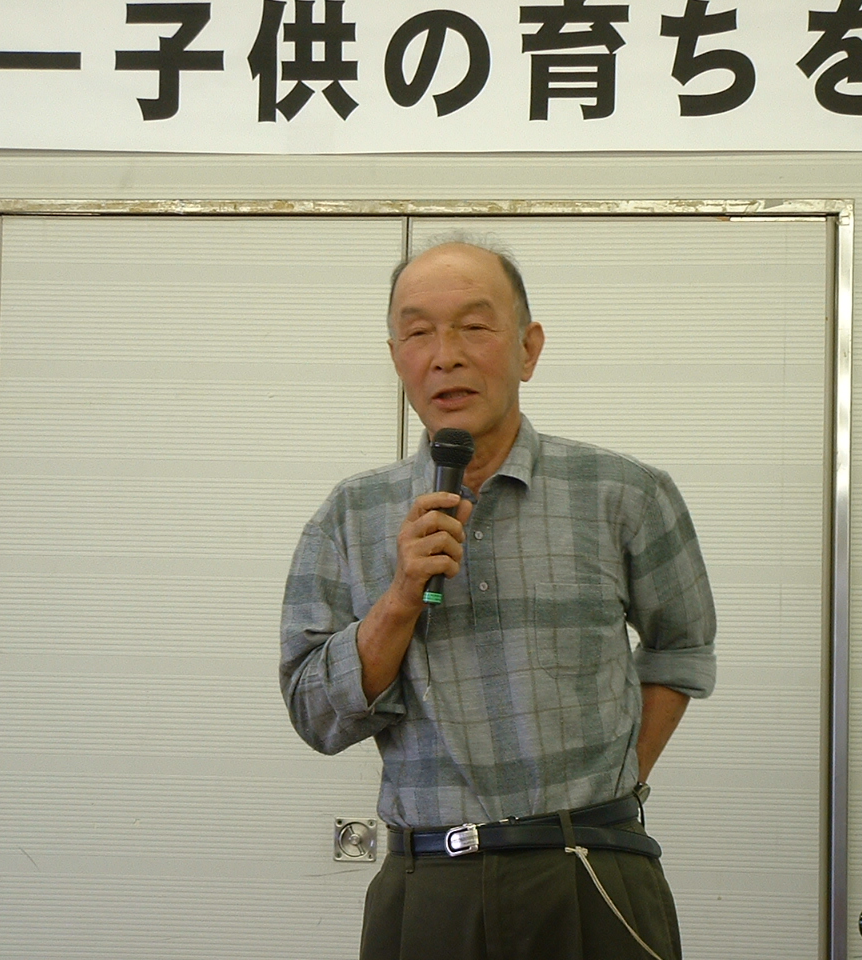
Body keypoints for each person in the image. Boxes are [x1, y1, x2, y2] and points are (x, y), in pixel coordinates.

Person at [280, 238, 716, 960]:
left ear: (528, 348)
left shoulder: (624, 493)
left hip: (591, 871)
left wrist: (615, 788)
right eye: (419, 333)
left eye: (474, 327)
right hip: (428, 885)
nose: (444, 356)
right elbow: (313, 714)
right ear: (396, 359)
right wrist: (399, 599)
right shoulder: (349, 516)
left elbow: (684, 647)